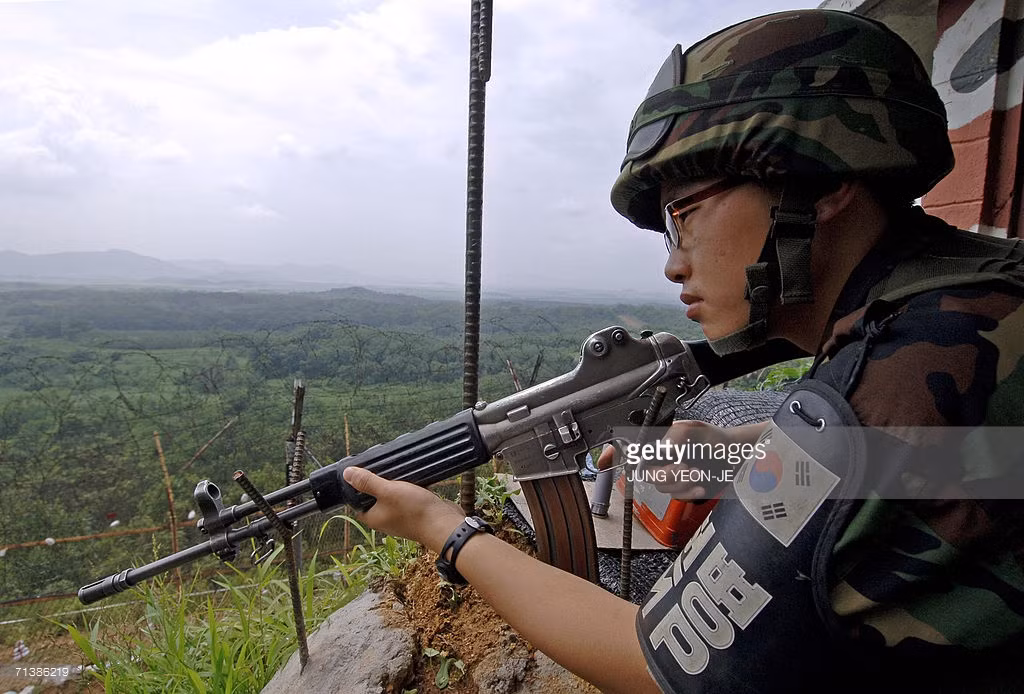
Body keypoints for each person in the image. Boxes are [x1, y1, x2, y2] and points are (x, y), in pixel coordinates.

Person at [342, 9, 1024, 693]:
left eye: (685, 214)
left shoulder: (895, 379)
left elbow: (656, 664)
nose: (674, 265)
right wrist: (732, 451)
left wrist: (444, 529)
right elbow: (960, 465)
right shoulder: (973, 305)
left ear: (819, 186)